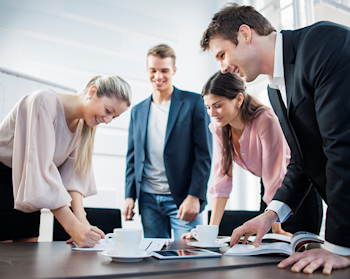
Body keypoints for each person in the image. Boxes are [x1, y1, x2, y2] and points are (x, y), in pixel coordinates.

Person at [200, 3, 350, 274]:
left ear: (245, 34)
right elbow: (302, 162)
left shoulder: (322, 43)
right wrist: (270, 216)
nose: (222, 68)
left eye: (223, 54)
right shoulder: (275, 90)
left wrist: (338, 245)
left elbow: (344, 148)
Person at [182, 71, 322, 240]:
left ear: (239, 99)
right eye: (208, 107)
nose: (212, 113)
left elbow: (274, 175)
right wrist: (210, 233)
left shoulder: (266, 120)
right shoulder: (220, 128)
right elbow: (222, 180)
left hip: (296, 194)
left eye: (217, 105)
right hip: (269, 194)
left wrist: (276, 226)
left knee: (296, 252)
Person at [0, 75, 132, 247]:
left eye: (113, 117)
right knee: (6, 258)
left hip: (29, 188)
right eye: (108, 111)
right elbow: (39, 169)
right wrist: (72, 227)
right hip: (4, 179)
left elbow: (72, 177)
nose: (107, 120)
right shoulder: (43, 101)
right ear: (92, 92)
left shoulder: (82, 125)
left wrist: (82, 222)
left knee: (27, 257)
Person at [122, 44, 212, 239]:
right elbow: (132, 157)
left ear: (174, 70)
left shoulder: (194, 103)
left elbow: (204, 155)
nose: (158, 76)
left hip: (182, 198)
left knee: (190, 258)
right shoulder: (137, 111)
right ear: (147, 71)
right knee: (155, 260)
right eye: (153, 70)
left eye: (164, 70)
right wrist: (129, 196)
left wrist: (195, 196)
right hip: (148, 200)